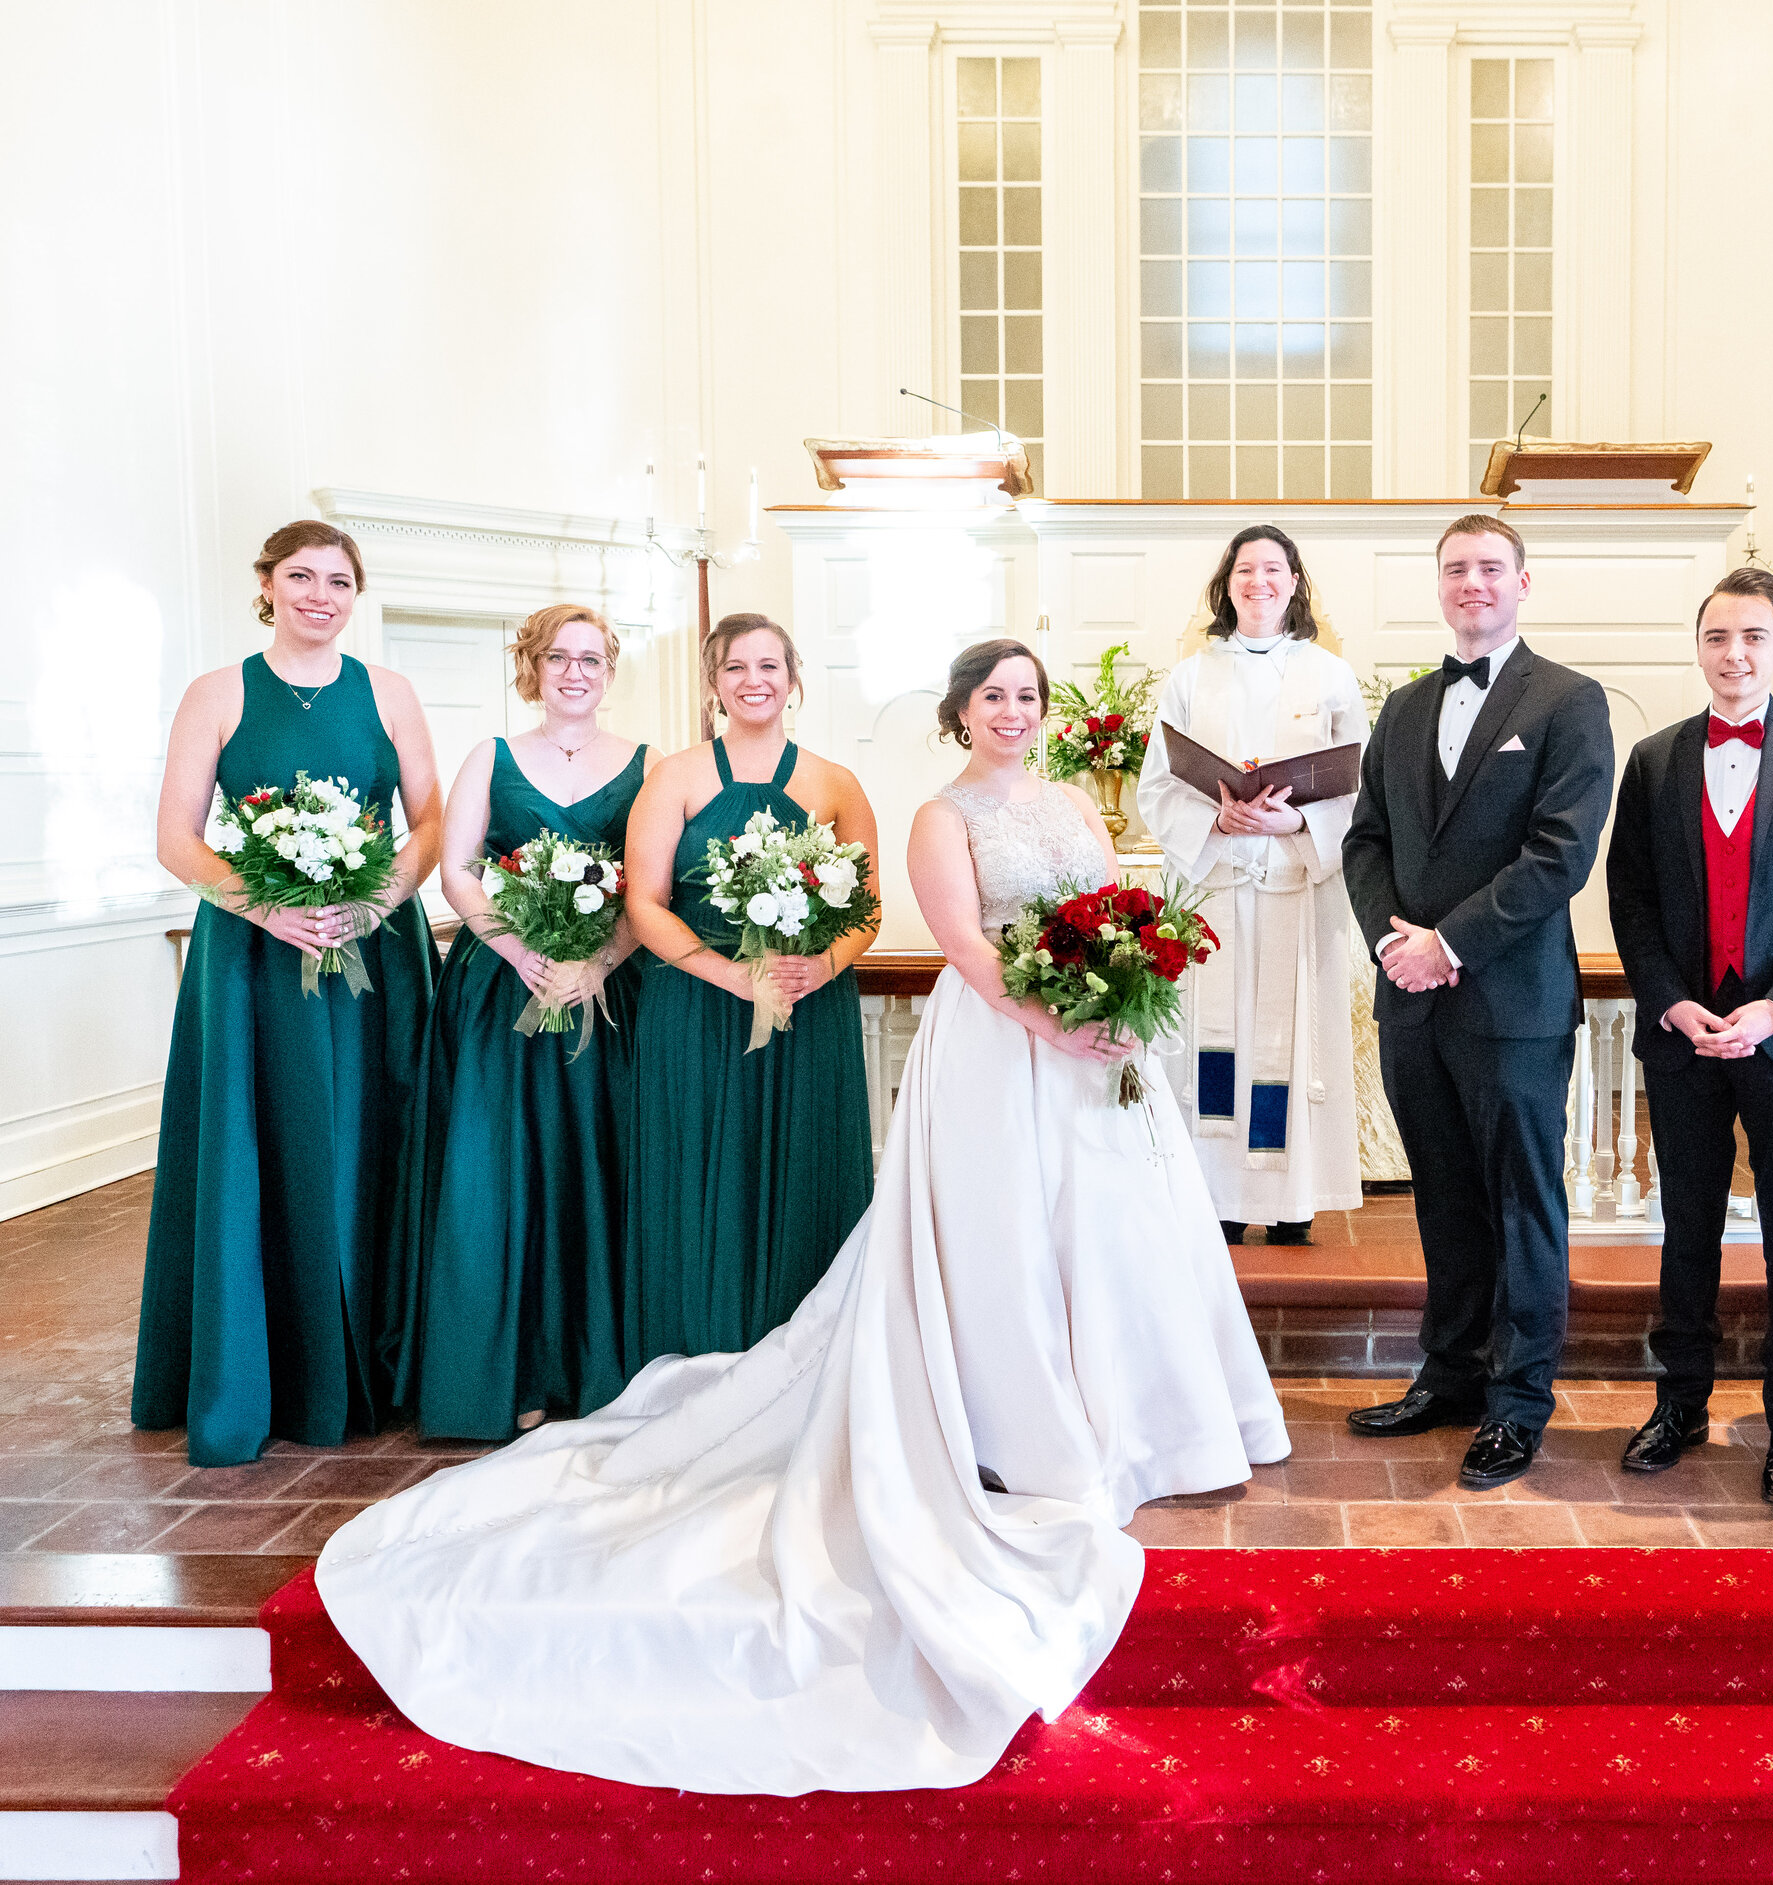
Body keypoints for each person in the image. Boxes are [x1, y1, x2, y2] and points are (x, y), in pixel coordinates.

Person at [314, 639, 1286, 1796]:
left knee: (1114, 1244)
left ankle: (1144, 1420)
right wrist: (1053, 1020)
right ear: (957, 711)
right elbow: (965, 947)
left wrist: (1126, 987)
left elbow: (1099, 902)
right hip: (1009, 1043)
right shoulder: (935, 812)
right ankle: (1028, 1424)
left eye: (1029, 695)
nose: (1014, 712)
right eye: (992, 696)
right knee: (1008, 1249)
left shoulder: (1072, 797)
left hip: (1095, 1047)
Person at [134, 520, 442, 1467]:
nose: (320, 594)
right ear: (266, 586)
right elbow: (177, 837)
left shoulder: (389, 693)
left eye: (339, 580)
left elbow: (428, 821)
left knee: (373, 1142)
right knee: (264, 1145)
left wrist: (376, 897)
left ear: (358, 595)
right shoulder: (217, 693)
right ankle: (261, 1372)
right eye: (300, 576)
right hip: (253, 960)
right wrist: (266, 908)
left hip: (375, 954)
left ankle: (382, 1368)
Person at [1340, 514, 1614, 1490]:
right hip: (1412, 1001)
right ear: (1439, 584)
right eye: (1456, 569)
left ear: (1523, 582)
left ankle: (1520, 1397)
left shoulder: (1569, 701)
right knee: (1445, 1199)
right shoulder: (1406, 707)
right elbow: (1364, 841)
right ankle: (1450, 1372)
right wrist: (1391, 940)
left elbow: (1560, 854)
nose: (1472, 583)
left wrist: (1448, 944)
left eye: (1490, 568)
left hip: (1512, 1001)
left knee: (1522, 1204)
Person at [1604, 567, 1773, 1508]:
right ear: (1700, 646)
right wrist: (1674, 1002)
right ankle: (1678, 1401)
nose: (1735, 654)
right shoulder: (1654, 758)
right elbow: (1629, 898)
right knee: (1688, 1226)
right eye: (1719, 636)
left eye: (1755, 636)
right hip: (1686, 1036)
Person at [385, 605, 647, 1441]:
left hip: (607, 999)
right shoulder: (491, 759)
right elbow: (458, 871)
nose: (576, 672)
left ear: (609, 671)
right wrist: (517, 947)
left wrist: (596, 962)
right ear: (533, 667)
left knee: (596, 1172)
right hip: (504, 993)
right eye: (559, 657)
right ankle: (509, 1370)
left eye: (592, 659)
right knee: (499, 1178)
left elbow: (653, 887)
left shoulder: (647, 765)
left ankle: (596, 1365)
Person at [617, 612, 877, 1370]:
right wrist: (729, 973)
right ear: (713, 684)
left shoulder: (836, 782)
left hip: (807, 1008)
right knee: (702, 1175)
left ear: (794, 680)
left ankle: (809, 1360)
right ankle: (697, 1348)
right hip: (697, 1005)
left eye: (770, 666)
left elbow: (869, 907)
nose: (754, 681)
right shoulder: (675, 775)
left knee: (803, 1170)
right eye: (736, 668)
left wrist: (822, 967)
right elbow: (644, 902)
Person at [1138, 525, 1366, 1245]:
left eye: (1273, 568)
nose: (1258, 580)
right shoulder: (1191, 675)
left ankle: (1294, 1201)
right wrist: (1221, 817)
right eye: (1245, 568)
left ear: (1295, 582)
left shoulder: (1330, 674)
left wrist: (1290, 823)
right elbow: (1158, 784)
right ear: (1226, 583)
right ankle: (1219, 1199)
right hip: (1217, 893)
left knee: (1288, 1037)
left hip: (1295, 888)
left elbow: (1356, 786)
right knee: (1216, 1032)